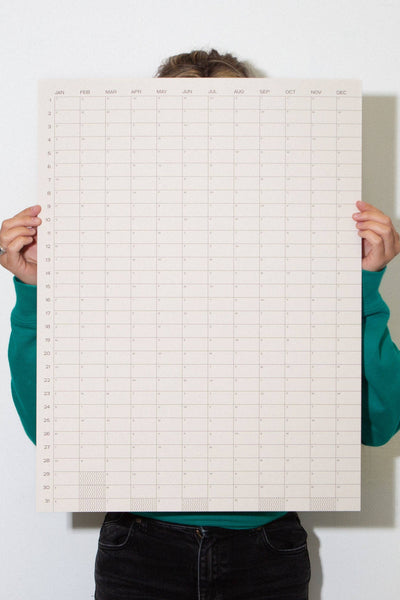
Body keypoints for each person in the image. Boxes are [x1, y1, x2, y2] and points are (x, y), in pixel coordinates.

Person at [2, 48, 400, 600]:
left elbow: (379, 423)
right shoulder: (110, 258)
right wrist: (33, 292)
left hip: (267, 548)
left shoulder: (298, 258)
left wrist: (364, 288)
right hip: (138, 545)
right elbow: (47, 430)